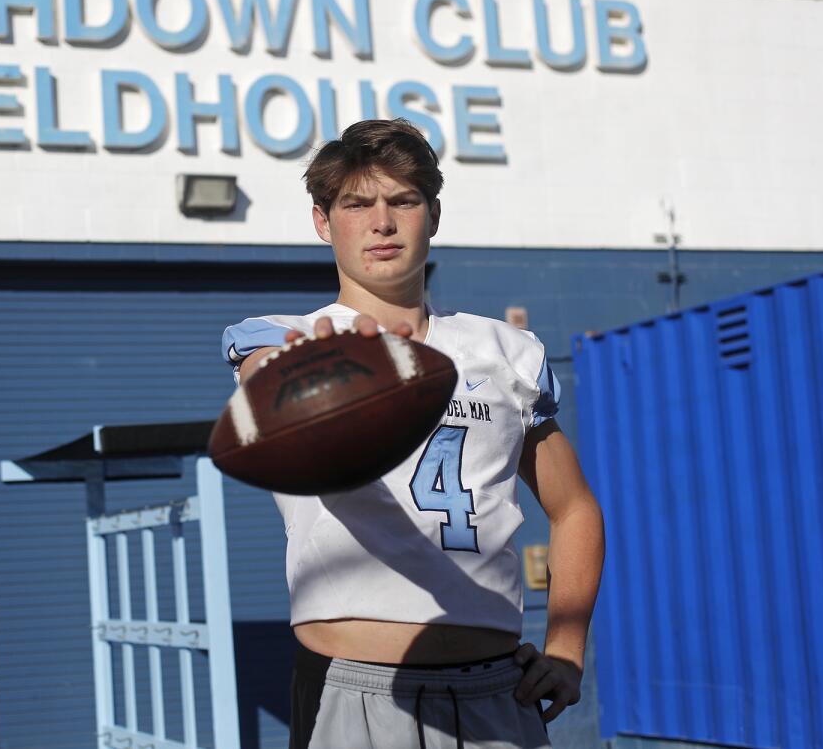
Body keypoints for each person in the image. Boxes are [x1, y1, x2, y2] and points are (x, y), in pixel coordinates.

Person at [219, 118, 605, 749]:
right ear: (323, 222)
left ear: (433, 214)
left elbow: (573, 507)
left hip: (496, 690)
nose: (382, 222)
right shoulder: (284, 337)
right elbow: (278, 399)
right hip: (352, 690)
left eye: (402, 201)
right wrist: (331, 383)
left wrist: (566, 647)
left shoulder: (504, 352)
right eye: (357, 204)